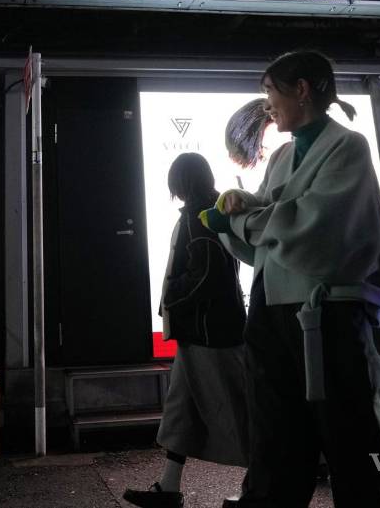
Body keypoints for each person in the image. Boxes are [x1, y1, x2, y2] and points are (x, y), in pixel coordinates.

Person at [200, 51, 380, 508]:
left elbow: (316, 227)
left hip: (326, 316)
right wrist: (240, 202)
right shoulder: (285, 154)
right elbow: (274, 218)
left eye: (271, 91)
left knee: (347, 437)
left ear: (302, 89)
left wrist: (238, 222)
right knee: (274, 438)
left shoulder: (349, 146)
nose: (267, 103)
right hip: (274, 310)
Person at [124, 153, 249, 508]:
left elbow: (206, 275)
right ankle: (167, 488)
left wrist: (173, 294)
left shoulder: (198, 218)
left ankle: (262, 485)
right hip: (206, 332)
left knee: (233, 411)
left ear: (181, 182)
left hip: (210, 335)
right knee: (182, 411)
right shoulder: (211, 211)